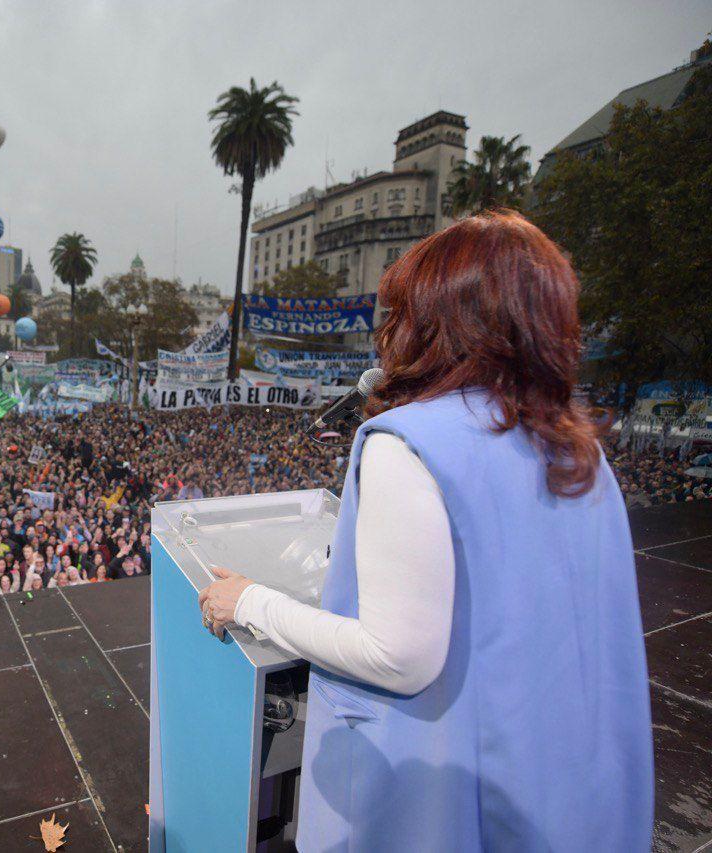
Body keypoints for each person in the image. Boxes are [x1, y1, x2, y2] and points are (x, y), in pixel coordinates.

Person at [199, 211, 653, 851]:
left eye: (402, 310)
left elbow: (398, 656)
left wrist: (250, 601)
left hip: (447, 800)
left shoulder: (406, 443)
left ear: (438, 320)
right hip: (561, 780)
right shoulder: (578, 449)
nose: (390, 330)